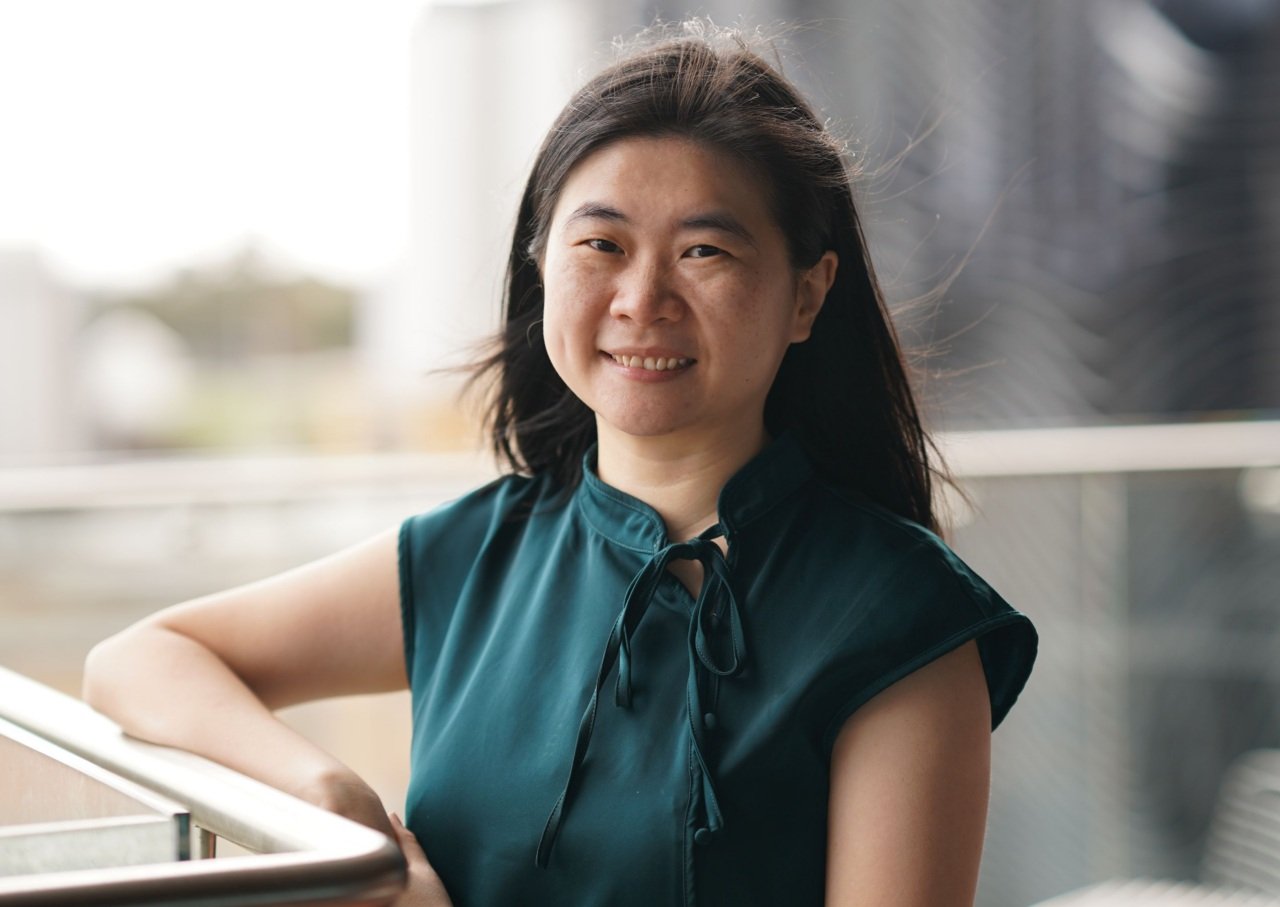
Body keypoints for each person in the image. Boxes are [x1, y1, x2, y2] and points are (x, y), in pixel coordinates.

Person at [83, 21, 1037, 907]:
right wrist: (332, 799)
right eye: (601, 244)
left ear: (806, 295)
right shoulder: (477, 553)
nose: (641, 297)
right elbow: (139, 660)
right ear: (542, 265)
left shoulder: (902, 624)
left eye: (704, 249)